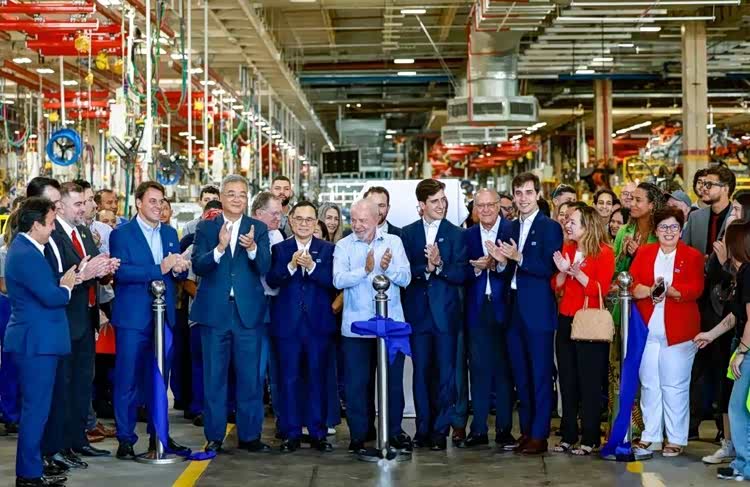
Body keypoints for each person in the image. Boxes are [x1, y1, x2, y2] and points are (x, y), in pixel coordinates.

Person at [191, 175, 271, 455]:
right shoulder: (206, 227)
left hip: (248, 314)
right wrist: (220, 248)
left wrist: (252, 249)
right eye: (231, 194)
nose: (237, 199)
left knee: (250, 378)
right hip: (215, 313)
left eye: (242, 194)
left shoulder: (258, 228)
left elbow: (265, 267)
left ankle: (250, 436)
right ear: (222, 197)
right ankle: (214, 435)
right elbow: (198, 265)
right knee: (214, 378)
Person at [109, 181, 190, 459]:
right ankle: (125, 439)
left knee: (159, 379)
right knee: (127, 379)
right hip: (133, 319)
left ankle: (159, 436)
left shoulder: (169, 232)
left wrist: (179, 269)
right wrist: (160, 267)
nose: (158, 206)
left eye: (161, 201)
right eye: (152, 201)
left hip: (163, 317)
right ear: (138, 203)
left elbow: (175, 274)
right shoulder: (121, 234)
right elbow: (122, 273)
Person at [488, 172, 563, 455]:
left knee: (540, 374)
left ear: (538, 195)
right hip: (513, 309)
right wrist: (499, 262)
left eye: (528, 193)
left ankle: (540, 434)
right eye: (518, 193)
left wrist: (519, 257)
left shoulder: (549, 228)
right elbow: (505, 270)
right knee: (521, 375)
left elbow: (548, 268)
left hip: (538, 311)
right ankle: (528, 431)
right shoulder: (509, 227)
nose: (523, 198)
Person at [4, 197, 77, 487]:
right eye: (50, 223)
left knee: (38, 410)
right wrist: (67, 287)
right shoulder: (27, 254)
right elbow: (51, 296)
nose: (53, 229)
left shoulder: (27, 249)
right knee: (35, 411)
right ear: (36, 225)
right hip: (35, 343)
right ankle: (29, 475)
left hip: (38, 341)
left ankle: (32, 470)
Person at [43, 182, 115, 469]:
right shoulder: (53, 235)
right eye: (78, 204)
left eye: (85, 203)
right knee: (64, 386)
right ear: (60, 206)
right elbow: (59, 275)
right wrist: (86, 272)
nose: (84, 209)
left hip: (87, 319)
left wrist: (105, 269)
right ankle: (60, 445)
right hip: (65, 319)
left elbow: (93, 269)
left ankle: (78, 440)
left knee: (83, 384)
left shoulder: (83, 232)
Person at [333, 199, 412, 453]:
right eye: (353, 220)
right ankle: (359, 435)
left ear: (377, 219)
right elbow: (338, 280)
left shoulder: (394, 242)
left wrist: (388, 269)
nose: (357, 225)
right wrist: (364, 270)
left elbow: (407, 278)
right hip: (356, 329)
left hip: (390, 328)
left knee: (392, 384)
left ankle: (393, 431)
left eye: (363, 221)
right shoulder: (343, 246)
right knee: (357, 385)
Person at [630, 207, 704, 457]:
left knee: (675, 386)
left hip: (679, 331)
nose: (669, 232)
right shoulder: (644, 252)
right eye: (663, 227)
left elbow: (696, 288)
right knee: (649, 383)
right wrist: (649, 290)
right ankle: (650, 435)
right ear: (656, 230)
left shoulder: (692, 256)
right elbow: (632, 284)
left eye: (674, 227)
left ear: (681, 230)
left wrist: (672, 291)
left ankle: (675, 438)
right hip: (647, 328)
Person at [401, 179, 468, 451]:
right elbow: (405, 271)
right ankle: (422, 429)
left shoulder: (457, 234)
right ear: (421, 205)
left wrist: (440, 265)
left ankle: (440, 431)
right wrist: (425, 269)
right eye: (434, 201)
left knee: (445, 374)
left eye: (443, 200)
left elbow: (462, 273)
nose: (441, 205)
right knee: (420, 373)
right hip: (418, 314)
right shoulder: (408, 234)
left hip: (446, 315)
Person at [266, 201, 337, 453]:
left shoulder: (328, 249)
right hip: (287, 325)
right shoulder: (280, 249)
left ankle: (318, 432)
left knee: (318, 378)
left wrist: (312, 267)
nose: (304, 224)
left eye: (309, 219)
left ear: (316, 222)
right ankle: (291, 433)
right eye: (299, 219)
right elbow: (272, 280)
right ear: (291, 221)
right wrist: (291, 266)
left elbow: (333, 281)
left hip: (318, 325)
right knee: (288, 379)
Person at [551, 205, 614, 456]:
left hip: (589, 323)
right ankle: (568, 434)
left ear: (587, 226)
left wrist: (579, 274)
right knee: (567, 380)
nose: (567, 225)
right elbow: (556, 286)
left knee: (589, 382)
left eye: (573, 222)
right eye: (567, 221)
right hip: (566, 319)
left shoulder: (604, 252)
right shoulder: (567, 249)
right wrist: (563, 273)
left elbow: (601, 289)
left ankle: (590, 437)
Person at [692, 220, 750, 481]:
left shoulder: (748, 273)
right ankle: (742, 462)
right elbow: (735, 316)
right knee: (738, 406)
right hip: (741, 342)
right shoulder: (741, 274)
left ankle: (745, 464)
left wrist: (742, 352)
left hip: (747, 347)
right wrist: (710, 334)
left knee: (737, 407)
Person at [683, 166, 736, 439]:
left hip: (726, 300)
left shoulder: (738, 217)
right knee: (695, 363)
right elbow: (684, 251)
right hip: (697, 298)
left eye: (710, 184)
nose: (703, 188)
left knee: (722, 365)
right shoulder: (696, 218)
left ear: (725, 188)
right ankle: (690, 425)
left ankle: (722, 428)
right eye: (702, 184)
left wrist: (722, 262)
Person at [462, 189, 514, 448]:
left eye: (490, 205)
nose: (485, 210)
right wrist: (476, 268)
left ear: (498, 206)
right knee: (479, 370)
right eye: (480, 206)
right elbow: (459, 271)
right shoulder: (467, 235)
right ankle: (479, 429)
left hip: (507, 310)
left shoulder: (512, 230)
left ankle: (504, 429)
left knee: (504, 371)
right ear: (475, 208)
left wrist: (500, 264)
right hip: (477, 310)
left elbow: (518, 268)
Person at [250, 192, 286, 433]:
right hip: (255, 305)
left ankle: (283, 420)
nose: (278, 218)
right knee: (256, 366)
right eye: (274, 214)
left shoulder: (277, 234)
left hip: (277, 305)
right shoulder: (247, 234)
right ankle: (251, 426)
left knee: (279, 364)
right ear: (258, 213)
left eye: (280, 214)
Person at [613, 182, 664, 275]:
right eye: (632, 199)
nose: (632, 203)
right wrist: (623, 255)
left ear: (652, 205)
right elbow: (613, 271)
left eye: (638, 200)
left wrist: (639, 254)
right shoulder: (623, 231)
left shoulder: (661, 234)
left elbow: (662, 270)